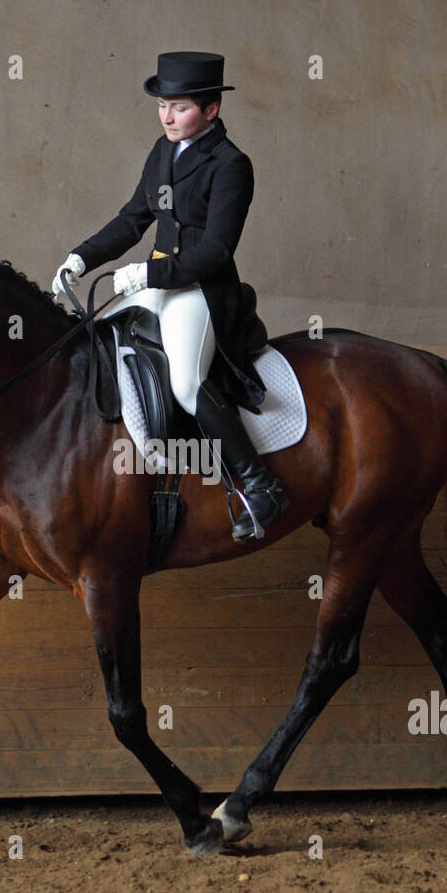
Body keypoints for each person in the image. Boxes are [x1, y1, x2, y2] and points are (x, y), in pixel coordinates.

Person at [51, 51, 288, 542]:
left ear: (211, 110)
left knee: (184, 382)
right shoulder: (162, 152)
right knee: (93, 341)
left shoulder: (231, 165)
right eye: (162, 105)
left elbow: (218, 251)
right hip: (156, 283)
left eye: (179, 108)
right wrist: (81, 258)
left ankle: (259, 484)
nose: (166, 116)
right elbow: (132, 219)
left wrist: (147, 274)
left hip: (199, 289)